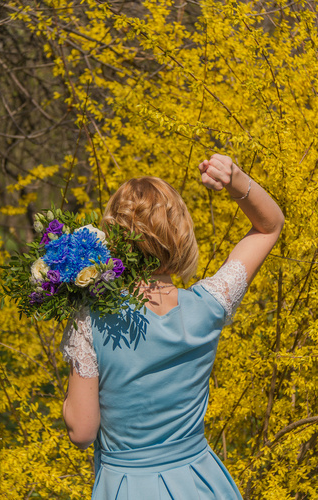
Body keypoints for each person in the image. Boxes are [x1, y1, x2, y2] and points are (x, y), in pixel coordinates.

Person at [60, 154, 284, 499]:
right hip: (200, 481)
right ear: (180, 234)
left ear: (112, 240)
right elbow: (270, 226)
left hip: (127, 486)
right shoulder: (213, 303)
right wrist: (234, 178)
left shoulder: (90, 320)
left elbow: (82, 430)